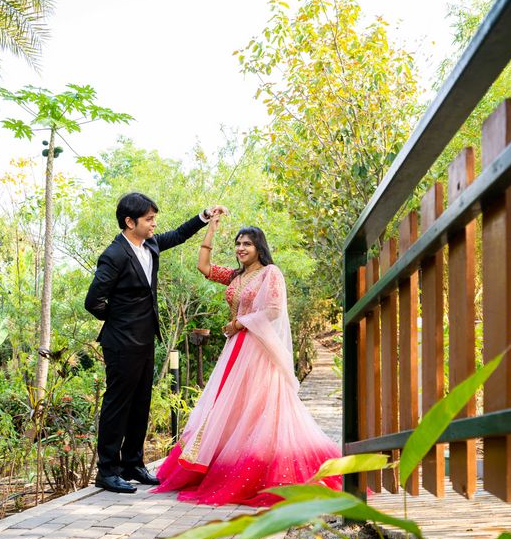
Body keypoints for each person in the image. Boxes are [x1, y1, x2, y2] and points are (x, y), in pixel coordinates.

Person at [153, 218, 341, 506]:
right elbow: (204, 267)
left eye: (247, 244)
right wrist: (212, 228)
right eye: (238, 244)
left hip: (258, 347)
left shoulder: (270, 273)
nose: (241, 248)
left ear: (259, 247)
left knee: (259, 406)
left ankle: (261, 470)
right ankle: (225, 464)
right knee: (231, 408)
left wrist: (239, 323)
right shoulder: (235, 277)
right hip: (236, 350)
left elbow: (274, 310)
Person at [84, 192, 228, 494]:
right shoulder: (113, 255)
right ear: (129, 221)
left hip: (146, 339)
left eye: (153, 218)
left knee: (140, 403)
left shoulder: (150, 244)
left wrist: (203, 217)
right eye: (149, 219)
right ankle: (107, 471)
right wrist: (121, 319)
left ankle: (133, 464)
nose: (154, 224)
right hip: (121, 341)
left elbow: (177, 235)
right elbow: (93, 301)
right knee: (117, 405)